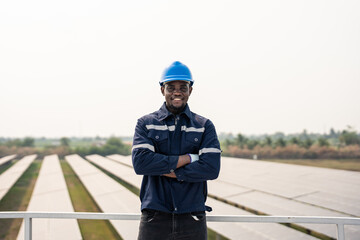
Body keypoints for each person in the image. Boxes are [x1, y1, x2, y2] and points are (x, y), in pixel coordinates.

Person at [132, 61, 221, 240]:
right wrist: (188, 158)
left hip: (192, 216)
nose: (177, 92)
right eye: (171, 87)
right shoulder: (146, 123)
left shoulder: (204, 126)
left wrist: (165, 169)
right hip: (154, 216)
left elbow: (211, 168)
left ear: (191, 90)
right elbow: (141, 164)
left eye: (183, 87)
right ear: (162, 89)